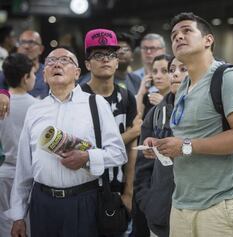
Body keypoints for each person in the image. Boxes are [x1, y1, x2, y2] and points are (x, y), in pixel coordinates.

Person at [142, 12, 233, 237]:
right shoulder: (184, 87)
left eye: (187, 31)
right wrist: (162, 146)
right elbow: (187, 137)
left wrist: (185, 145)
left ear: (208, 40)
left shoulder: (227, 78)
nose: (178, 37)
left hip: (220, 206)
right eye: (174, 35)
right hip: (182, 204)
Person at [7, 48, 127, 237]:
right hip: (42, 203)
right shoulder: (35, 109)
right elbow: (24, 167)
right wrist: (18, 215)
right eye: (51, 61)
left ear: (77, 73)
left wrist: (87, 157)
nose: (56, 64)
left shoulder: (95, 104)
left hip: (84, 201)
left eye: (64, 60)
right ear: (44, 75)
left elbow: (119, 153)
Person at [80, 29, 142, 234]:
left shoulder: (126, 97)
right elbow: (84, 147)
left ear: (117, 62)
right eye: (98, 55)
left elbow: (133, 149)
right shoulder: (77, 96)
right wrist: (129, 134)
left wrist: (129, 192)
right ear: (88, 64)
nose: (105, 60)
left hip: (117, 187)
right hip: (83, 187)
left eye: (111, 55)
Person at [134, 56, 187, 237]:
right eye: (171, 70)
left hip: (200, 213)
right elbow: (142, 167)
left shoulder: (210, 112)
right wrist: (149, 203)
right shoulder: (156, 113)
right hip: (161, 218)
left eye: (183, 69)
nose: (175, 74)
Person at [0, 53, 37, 237]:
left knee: (3, 227)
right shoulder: (37, 106)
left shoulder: (2, 102)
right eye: (33, 73)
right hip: (27, 176)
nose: (35, 78)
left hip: (2, 174)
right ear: (25, 78)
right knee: (26, 226)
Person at [136, 54, 172, 120]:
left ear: (172, 73)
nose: (158, 76)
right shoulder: (148, 97)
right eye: (155, 71)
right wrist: (141, 93)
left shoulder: (178, 98)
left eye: (164, 71)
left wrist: (164, 105)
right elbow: (136, 121)